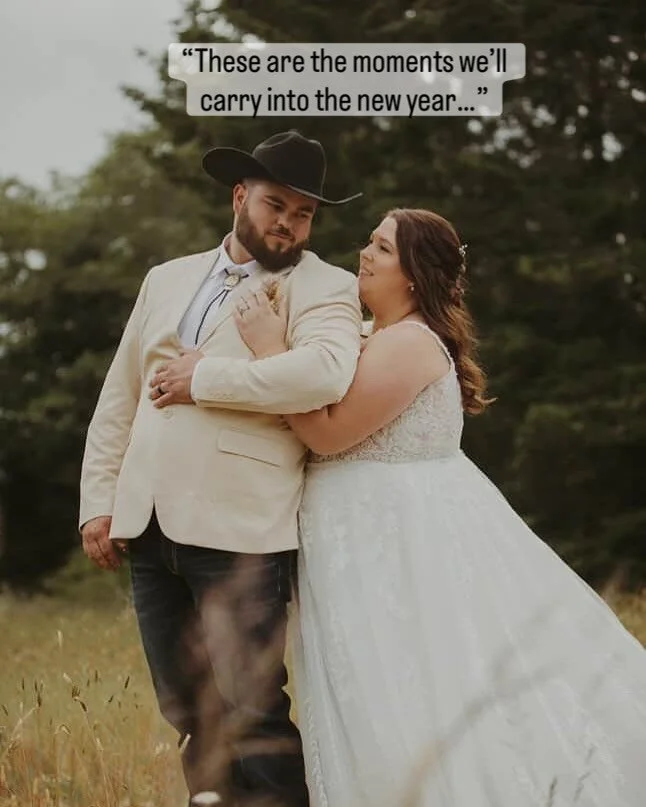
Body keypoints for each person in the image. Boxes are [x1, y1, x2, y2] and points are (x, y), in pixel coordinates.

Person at [231, 208, 646, 807]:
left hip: (400, 542)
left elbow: (326, 435)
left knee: (419, 683)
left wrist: (271, 349)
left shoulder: (409, 344)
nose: (365, 254)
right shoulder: (373, 337)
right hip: (355, 541)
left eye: (381, 247)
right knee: (373, 691)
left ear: (413, 273)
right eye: (369, 242)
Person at [79, 130, 362, 807]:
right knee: (186, 710)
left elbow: (323, 374)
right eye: (275, 205)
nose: (288, 224)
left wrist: (207, 377)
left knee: (252, 709)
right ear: (240, 196)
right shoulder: (165, 278)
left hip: (244, 530)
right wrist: (98, 498)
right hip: (147, 523)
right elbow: (120, 393)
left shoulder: (327, 287)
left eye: (303, 213)